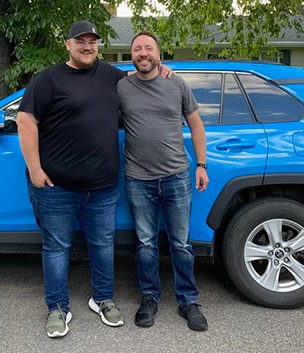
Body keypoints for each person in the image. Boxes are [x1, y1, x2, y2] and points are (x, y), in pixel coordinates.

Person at [16, 21, 172, 338]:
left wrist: (162, 69)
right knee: (56, 249)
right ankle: (57, 308)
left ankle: (103, 298)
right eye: (81, 41)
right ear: (68, 45)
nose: (88, 46)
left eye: (92, 41)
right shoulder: (48, 79)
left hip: (102, 187)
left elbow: (141, 80)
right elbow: (25, 120)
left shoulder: (112, 76)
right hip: (56, 187)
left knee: (103, 246)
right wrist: (35, 169)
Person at [117, 31, 210, 331]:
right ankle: (149, 297)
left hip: (177, 177)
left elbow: (196, 125)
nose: (143, 53)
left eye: (149, 48)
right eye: (137, 49)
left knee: (181, 244)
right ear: (131, 55)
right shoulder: (121, 86)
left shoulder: (176, 83)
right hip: (138, 179)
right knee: (145, 244)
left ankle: (188, 301)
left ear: (159, 54)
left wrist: (202, 165)